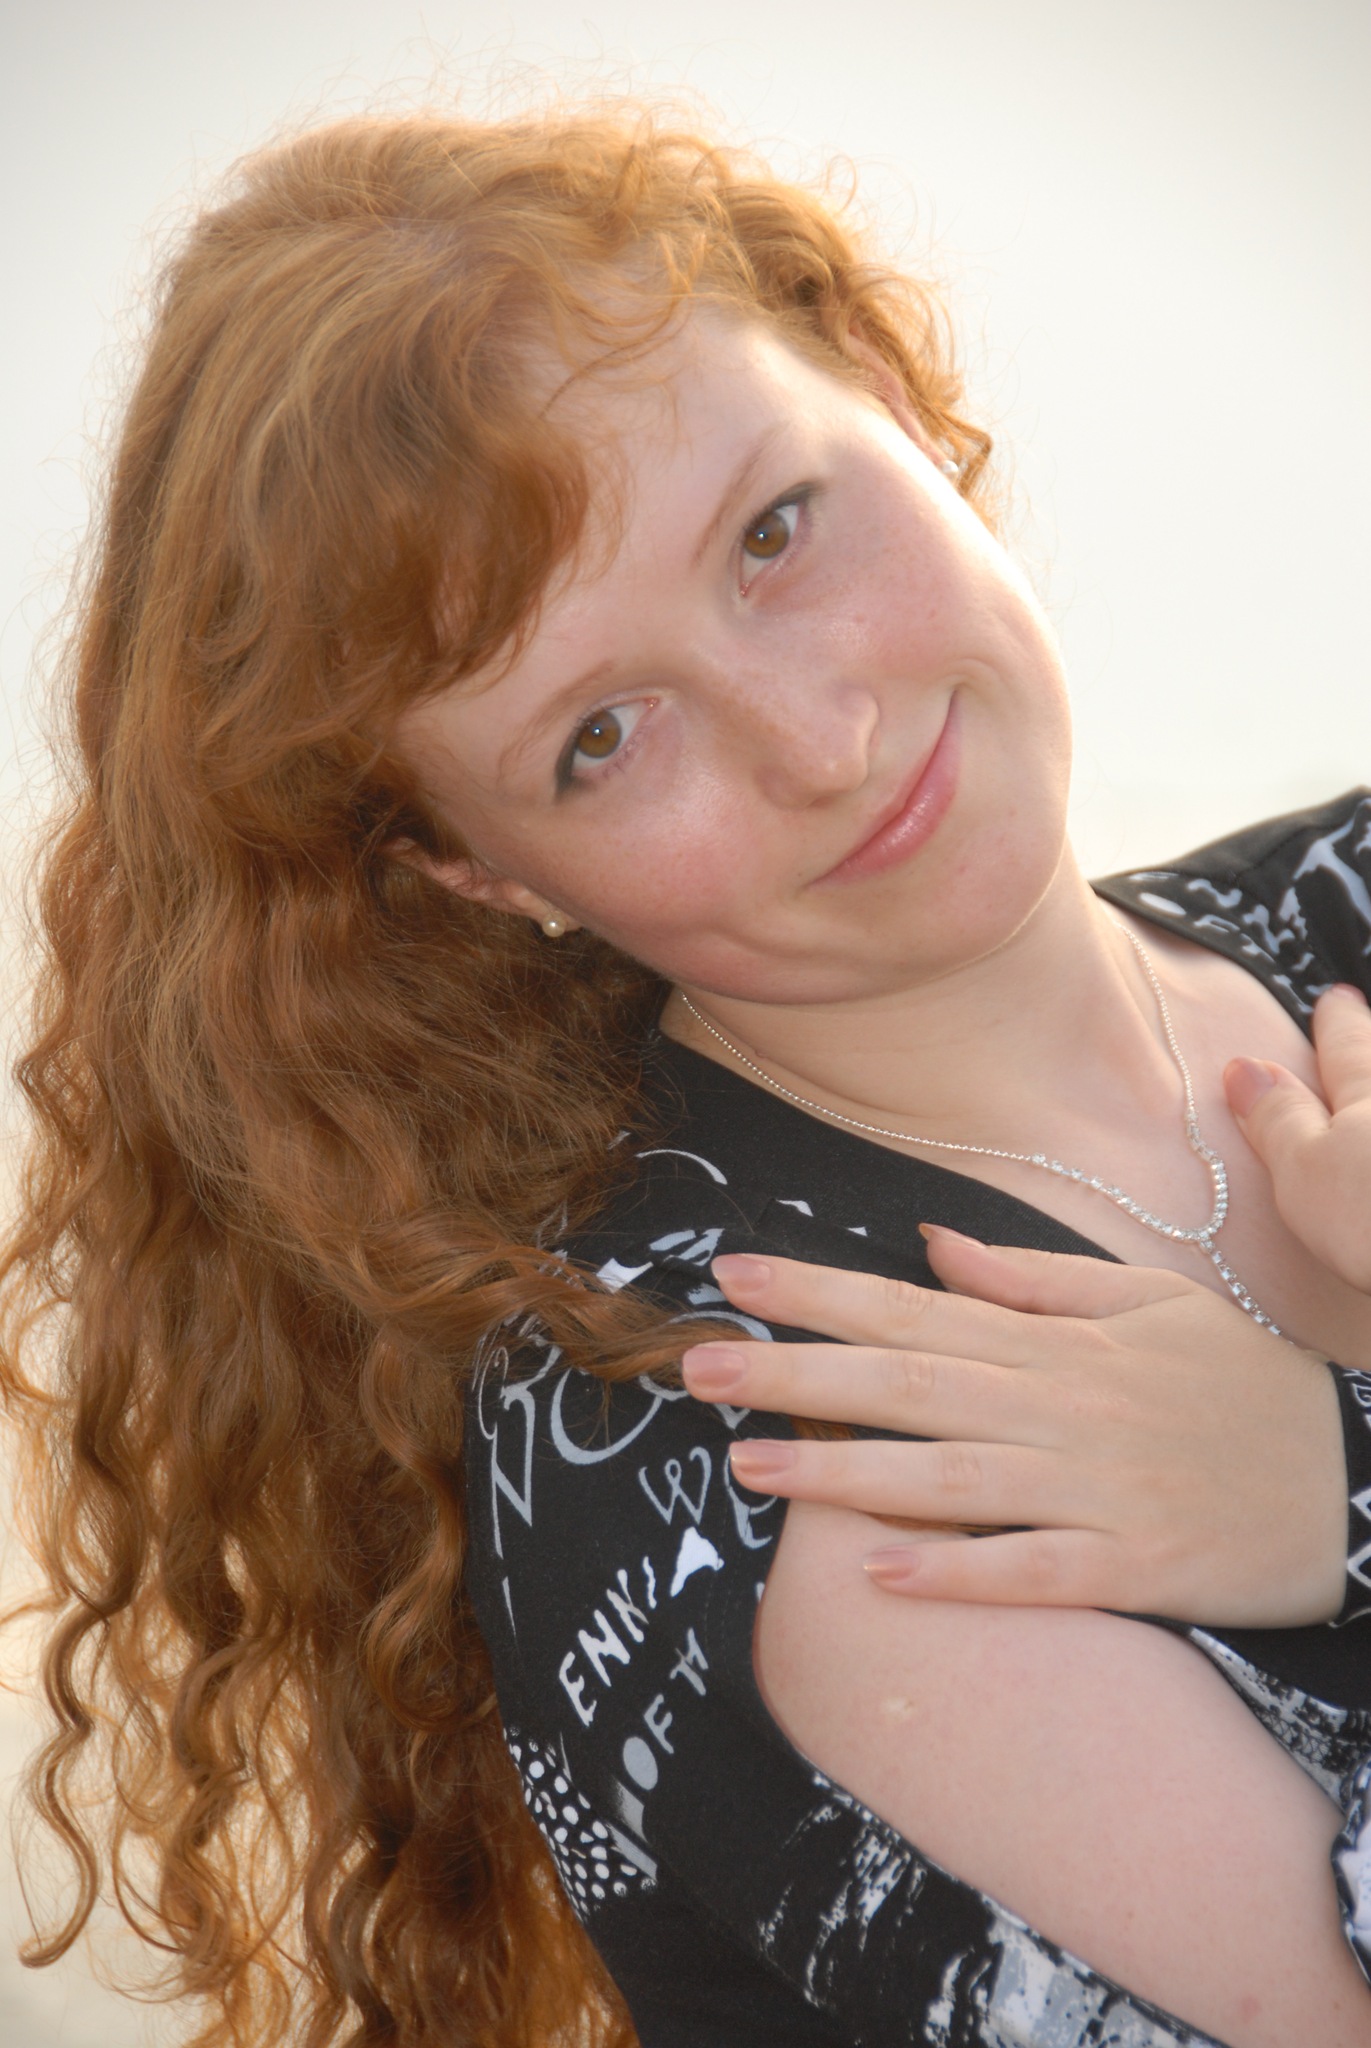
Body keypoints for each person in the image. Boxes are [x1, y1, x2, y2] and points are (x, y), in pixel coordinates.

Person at [1, 102, 1367, 2048]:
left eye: (773, 532)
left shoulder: (1350, 890)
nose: (818, 740)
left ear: (874, 378)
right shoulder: (734, 1407)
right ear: (476, 872)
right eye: (600, 737)